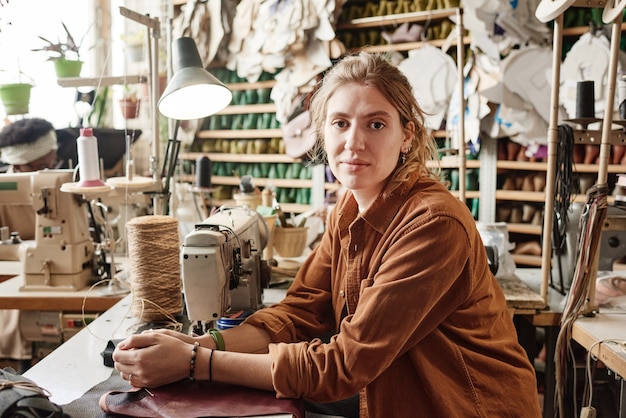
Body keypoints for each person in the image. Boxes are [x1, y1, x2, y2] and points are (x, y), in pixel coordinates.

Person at [113, 52, 542, 417]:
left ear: (406, 135)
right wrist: (201, 341)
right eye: (340, 123)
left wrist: (193, 362)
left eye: (376, 124)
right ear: (323, 132)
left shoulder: (433, 224)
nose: (354, 142)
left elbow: (343, 366)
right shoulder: (349, 208)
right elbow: (300, 313)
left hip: (467, 406)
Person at [0, 118, 60, 367]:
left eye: (50, 164)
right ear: (19, 165)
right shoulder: (4, 191)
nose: (47, 172)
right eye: (40, 167)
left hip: (55, 273)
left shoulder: (56, 182)